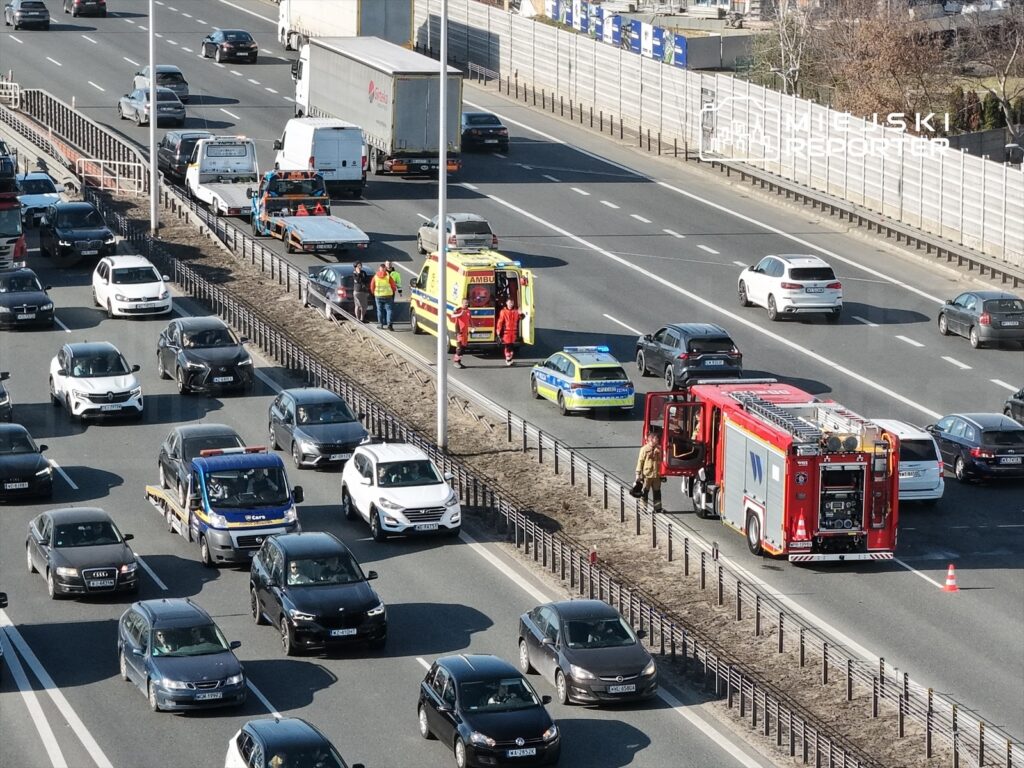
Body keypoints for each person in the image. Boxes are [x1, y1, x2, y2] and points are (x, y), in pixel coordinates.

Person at [635, 430, 664, 513]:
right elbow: (640, 461)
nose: (658, 440)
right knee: (645, 492)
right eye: (656, 439)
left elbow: (662, 462)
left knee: (657, 492)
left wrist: (663, 474)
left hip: (656, 475)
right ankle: (643, 508)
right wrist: (638, 474)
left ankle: (658, 508)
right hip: (647, 475)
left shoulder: (659, 449)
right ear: (651, 439)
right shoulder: (644, 449)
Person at [496, 298, 525, 367]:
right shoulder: (503, 311)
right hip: (506, 332)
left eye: (512, 303)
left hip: (514, 331)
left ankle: (510, 359)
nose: (511, 304)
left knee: (511, 346)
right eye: (509, 303)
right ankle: (508, 359)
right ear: (506, 303)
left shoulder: (516, 311)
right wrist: (498, 332)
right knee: (507, 346)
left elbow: (522, 318)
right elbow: (500, 322)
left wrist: (521, 313)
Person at [370, 264, 397, 331]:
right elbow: (393, 285)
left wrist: (373, 293)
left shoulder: (375, 276)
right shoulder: (388, 276)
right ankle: (389, 325)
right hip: (388, 296)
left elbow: (372, 286)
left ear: (379, 269)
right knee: (389, 310)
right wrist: (393, 291)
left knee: (379, 310)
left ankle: (380, 324)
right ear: (384, 269)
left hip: (378, 296)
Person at [451, 298, 471, 369]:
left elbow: (469, 319)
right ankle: (456, 362)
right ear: (462, 303)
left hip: (465, 332)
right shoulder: (458, 309)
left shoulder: (468, 310)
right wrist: (460, 314)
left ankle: (459, 361)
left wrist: (473, 326)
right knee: (459, 347)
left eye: (467, 303)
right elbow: (452, 315)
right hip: (459, 331)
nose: (466, 304)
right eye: (465, 303)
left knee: (464, 347)